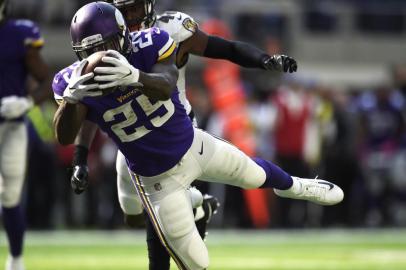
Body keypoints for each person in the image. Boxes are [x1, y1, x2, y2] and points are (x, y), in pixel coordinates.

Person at [53, 2, 343, 270]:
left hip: (182, 130)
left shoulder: (162, 33)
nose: (131, 18)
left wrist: (264, 59)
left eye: (135, 8)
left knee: (251, 173)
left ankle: (297, 186)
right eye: (124, 11)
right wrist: (72, 106)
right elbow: (81, 123)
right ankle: (195, 202)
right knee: (134, 215)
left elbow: (217, 53)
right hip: (136, 151)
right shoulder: (76, 78)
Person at [0, 0, 51, 269]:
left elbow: (46, 79)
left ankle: (15, 260)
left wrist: (27, 102)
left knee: (10, 196)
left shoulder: (20, 33)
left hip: (11, 125)